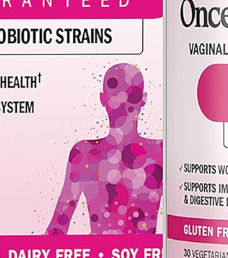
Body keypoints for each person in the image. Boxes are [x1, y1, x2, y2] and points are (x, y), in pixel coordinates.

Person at [45, 63, 162, 236]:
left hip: (106, 254)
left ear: (103, 99)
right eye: (117, 94)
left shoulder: (84, 154)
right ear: (143, 99)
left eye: (130, 94)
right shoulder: (160, 154)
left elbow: (56, 230)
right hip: (134, 254)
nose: (122, 100)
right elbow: (57, 230)